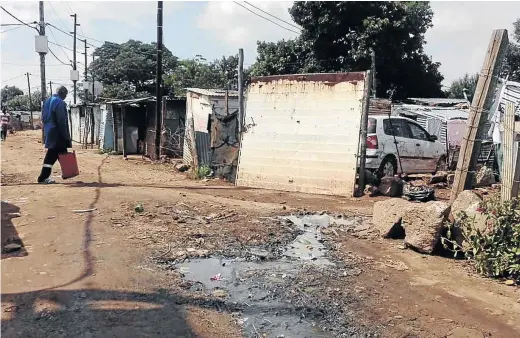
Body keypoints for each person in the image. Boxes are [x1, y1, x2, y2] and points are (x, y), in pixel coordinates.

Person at [37, 86, 72, 184]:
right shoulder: (59, 103)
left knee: (61, 151)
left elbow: (43, 118)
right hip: (57, 131)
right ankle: (43, 177)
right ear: (63, 93)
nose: (65, 97)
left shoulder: (47, 101)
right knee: (53, 153)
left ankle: (68, 172)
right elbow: (61, 120)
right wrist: (65, 135)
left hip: (49, 130)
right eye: (65, 94)